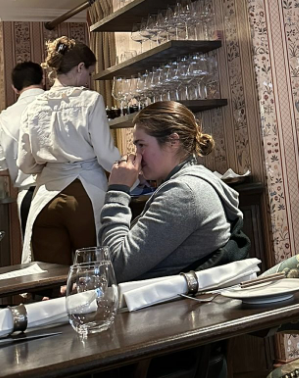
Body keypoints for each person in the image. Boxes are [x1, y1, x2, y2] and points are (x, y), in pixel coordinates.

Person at [100, 101, 247, 281]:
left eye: (141, 145)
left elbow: (115, 268)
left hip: (170, 298)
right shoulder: (197, 180)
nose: (136, 155)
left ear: (173, 142)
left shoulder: (184, 193)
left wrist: (117, 190)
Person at [17, 37, 121, 265]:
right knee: (94, 269)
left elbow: (24, 163)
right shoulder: (90, 100)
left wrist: (50, 163)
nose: (88, 80)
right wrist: (130, 176)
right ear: (80, 67)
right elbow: (106, 156)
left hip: (45, 199)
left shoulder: (33, 106)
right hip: (85, 194)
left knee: (50, 277)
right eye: (89, 73)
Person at [0, 61, 44, 236]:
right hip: (70, 189)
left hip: (29, 194)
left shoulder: (2, 119)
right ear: (43, 80)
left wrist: (18, 167)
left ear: (14, 88)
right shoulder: (61, 105)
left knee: (35, 251)